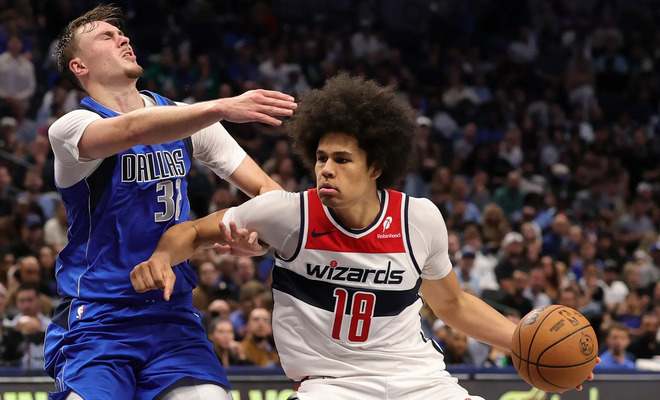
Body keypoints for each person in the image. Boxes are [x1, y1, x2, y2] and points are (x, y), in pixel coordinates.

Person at [132, 74, 595, 399]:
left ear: (376, 167)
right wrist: (162, 258)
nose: (325, 169)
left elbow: (452, 305)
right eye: (320, 158)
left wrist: (531, 345)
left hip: (420, 381)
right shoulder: (287, 213)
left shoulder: (419, 219)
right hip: (331, 386)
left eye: (342, 160)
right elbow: (192, 231)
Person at [43, 5, 297, 400]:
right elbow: (132, 130)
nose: (123, 38)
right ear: (80, 66)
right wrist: (219, 106)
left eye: (121, 33)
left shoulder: (188, 119)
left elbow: (271, 195)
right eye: (106, 36)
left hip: (171, 315)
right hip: (98, 317)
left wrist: (257, 238)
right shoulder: (70, 128)